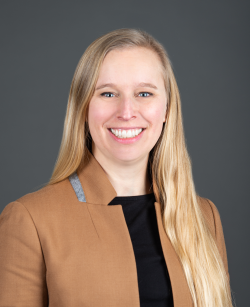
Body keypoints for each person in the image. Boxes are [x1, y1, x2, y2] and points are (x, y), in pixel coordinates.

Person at [0, 28, 233, 307]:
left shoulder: (205, 217)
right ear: (83, 107)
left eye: (144, 93)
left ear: (167, 109)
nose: (126, 112)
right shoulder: (30, 220)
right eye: (108, 94)